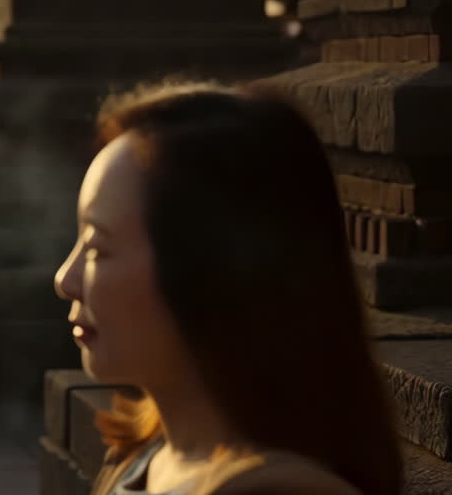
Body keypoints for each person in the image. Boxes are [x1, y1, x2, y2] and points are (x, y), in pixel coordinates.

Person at [55, 82, 401, 495]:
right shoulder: (144, 456)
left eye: (98, 248)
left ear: (209, 268)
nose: (65, 279)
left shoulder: (279, 491)